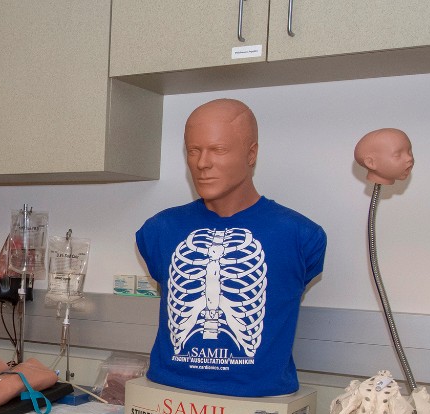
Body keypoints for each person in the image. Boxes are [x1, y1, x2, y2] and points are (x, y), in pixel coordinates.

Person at [134, 98, 327, 397]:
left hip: (258, 406)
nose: (202, 163)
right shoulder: (158, 230)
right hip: (168, 401)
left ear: (251, 154)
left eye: (218, 150)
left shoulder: (302, 235)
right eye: (193, 151)